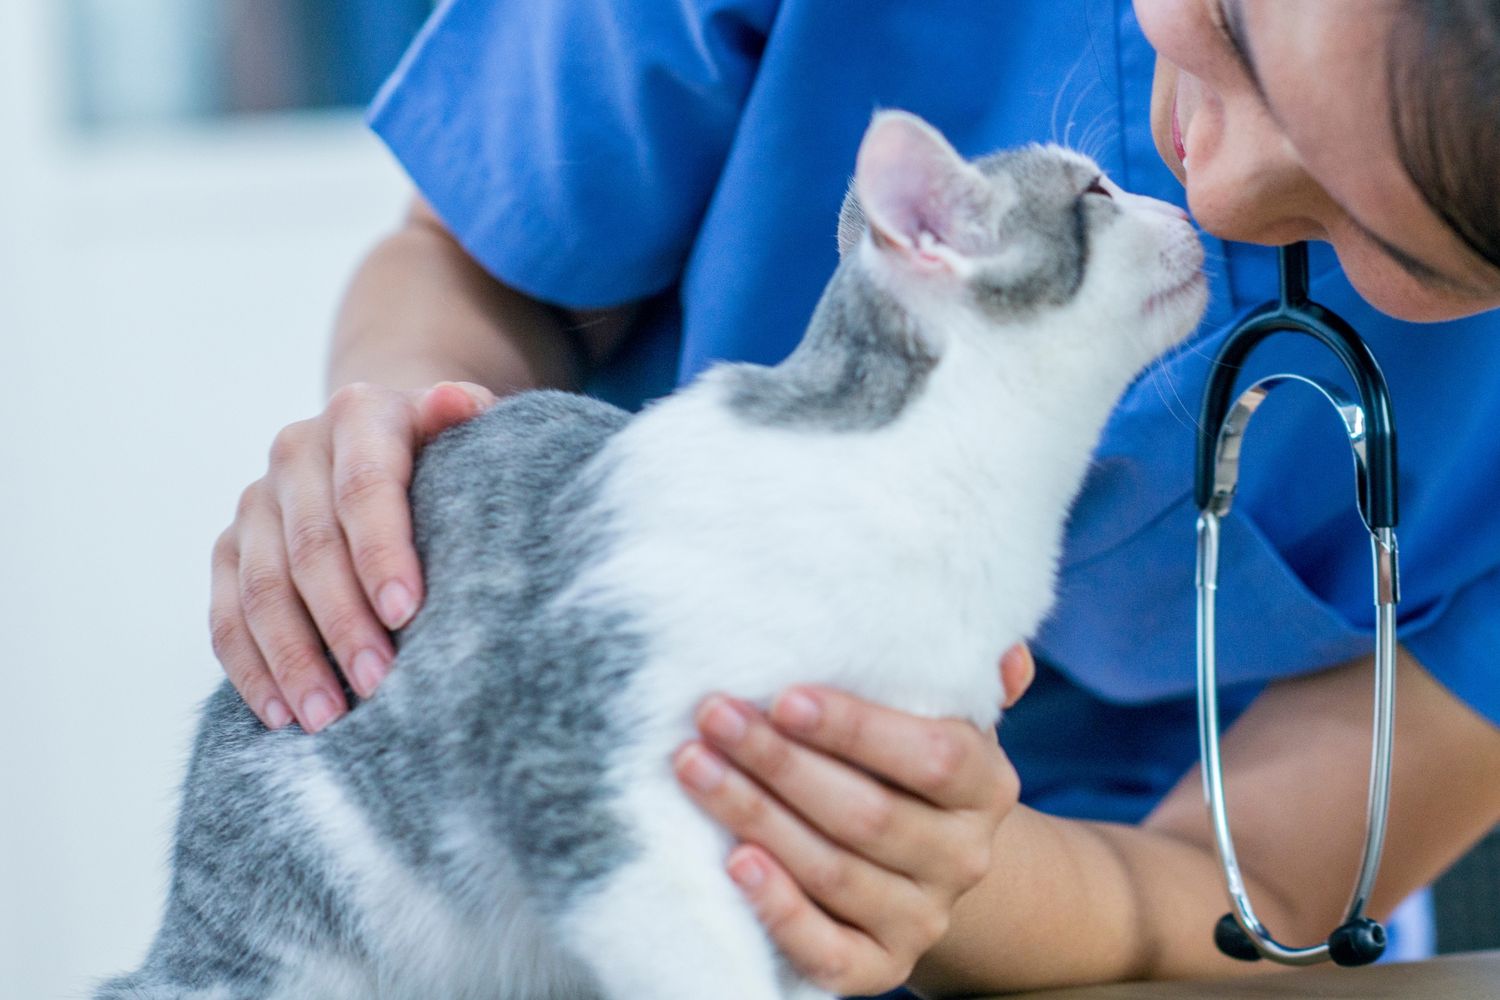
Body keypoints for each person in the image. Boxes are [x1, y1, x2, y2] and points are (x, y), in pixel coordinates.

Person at [207, 0, 1500, 994]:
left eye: (1387, 241)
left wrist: (931, 868)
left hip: (1106, 916)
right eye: (1226, 23)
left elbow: (1263, 886)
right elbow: (473, 261)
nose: (1212, 192)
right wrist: (403, 467)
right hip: (568, 812)